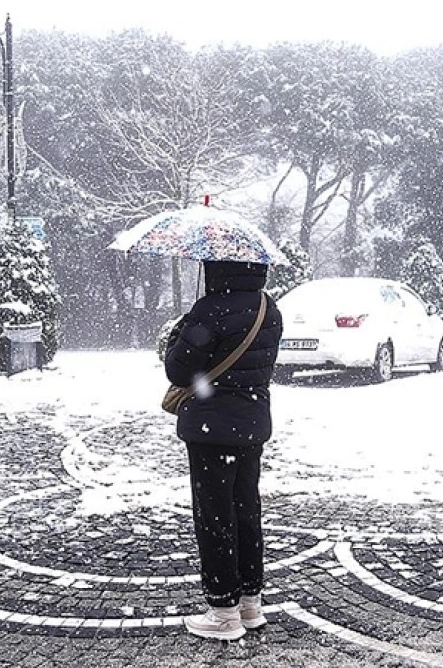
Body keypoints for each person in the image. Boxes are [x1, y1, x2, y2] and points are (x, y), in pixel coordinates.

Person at [163, 260, 283, 641]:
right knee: (247, 509)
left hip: (211, 428)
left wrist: (180, 332)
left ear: (216, 269)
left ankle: (222, 611)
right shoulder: (269, 309)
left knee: (215, 515)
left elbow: (178, 371)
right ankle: (251, 602)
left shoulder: (210, 310)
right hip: (251, 424)